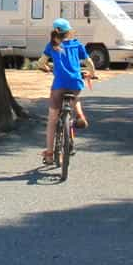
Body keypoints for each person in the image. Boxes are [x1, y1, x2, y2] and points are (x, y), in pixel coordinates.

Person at [42, 18, 94, 165]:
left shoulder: (52, 46)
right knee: (75, 97)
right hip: (75, 82)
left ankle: (50, 154)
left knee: (52, 119)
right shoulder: (77, 44)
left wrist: (47, 68)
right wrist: (90, 72)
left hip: (59, 85)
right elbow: (89, 63)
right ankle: (79, 115)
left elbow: (41, 62)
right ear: (68, 32)